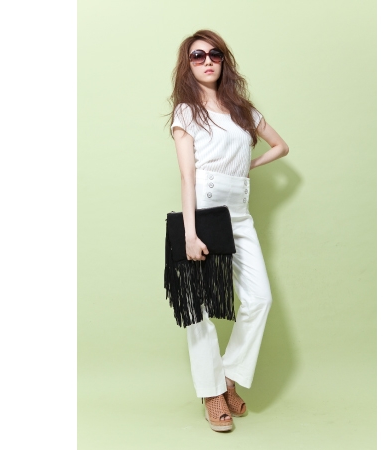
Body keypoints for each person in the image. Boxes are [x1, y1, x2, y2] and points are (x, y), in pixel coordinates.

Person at [168, 29, 289, 432]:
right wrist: (190, 233)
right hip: (203, 209)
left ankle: (227, 379)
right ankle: (211, 393)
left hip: (239, 212)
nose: (207, 60)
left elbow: (280, 146)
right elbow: (187, 176)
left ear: (224, 61)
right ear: (188, 65)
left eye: (214, 54)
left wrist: (247, 167)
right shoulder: (186, 112)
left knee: (259, 299)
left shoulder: (242, 110)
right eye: (197, 55)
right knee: (199, 307)